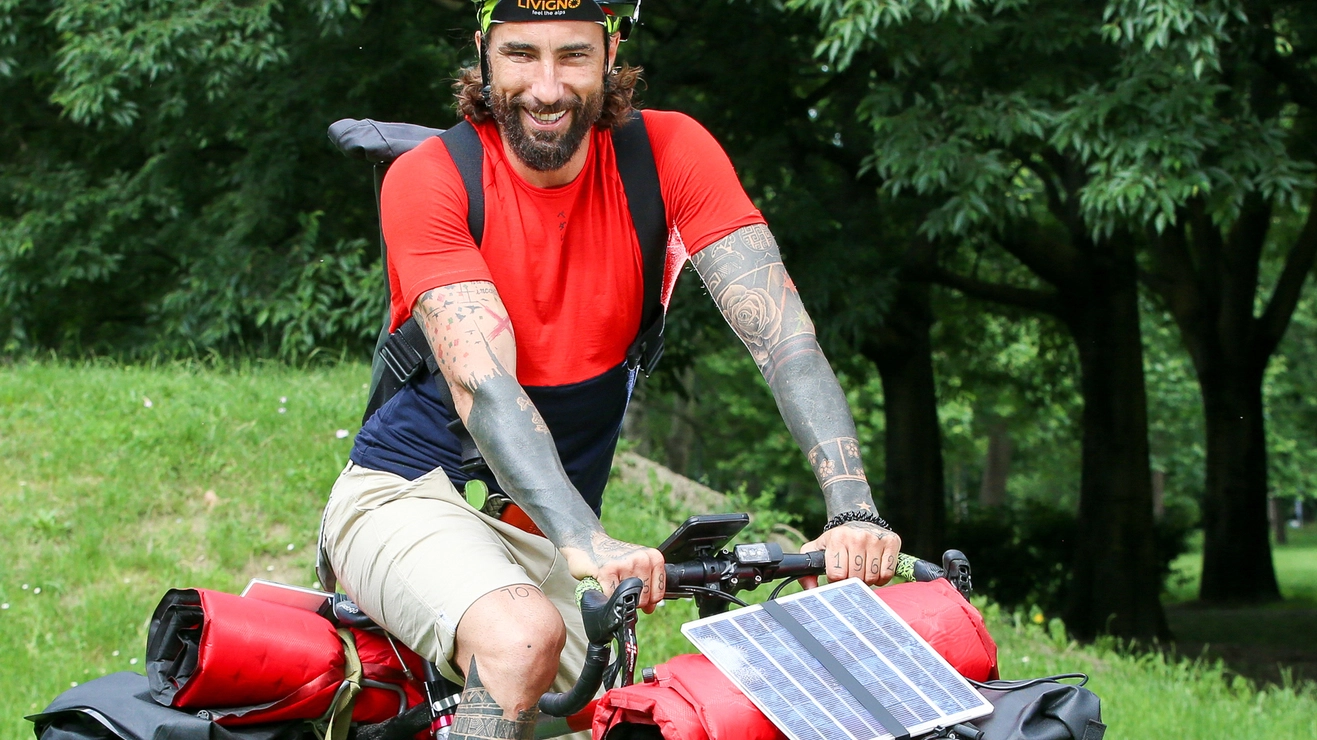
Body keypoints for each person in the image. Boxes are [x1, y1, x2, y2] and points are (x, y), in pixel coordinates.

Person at [319, 1, 903, 737]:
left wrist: (850, 507)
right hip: (406, 495)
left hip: (538, 529)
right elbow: (487, 390)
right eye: (521, 56)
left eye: (572, 56)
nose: (547, 87)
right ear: (484, 54)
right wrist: (587, 543)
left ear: (609, 53)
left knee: (618, 716)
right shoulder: (431, 179)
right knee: (521, 641)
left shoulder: (670, 154)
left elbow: (784, 341)